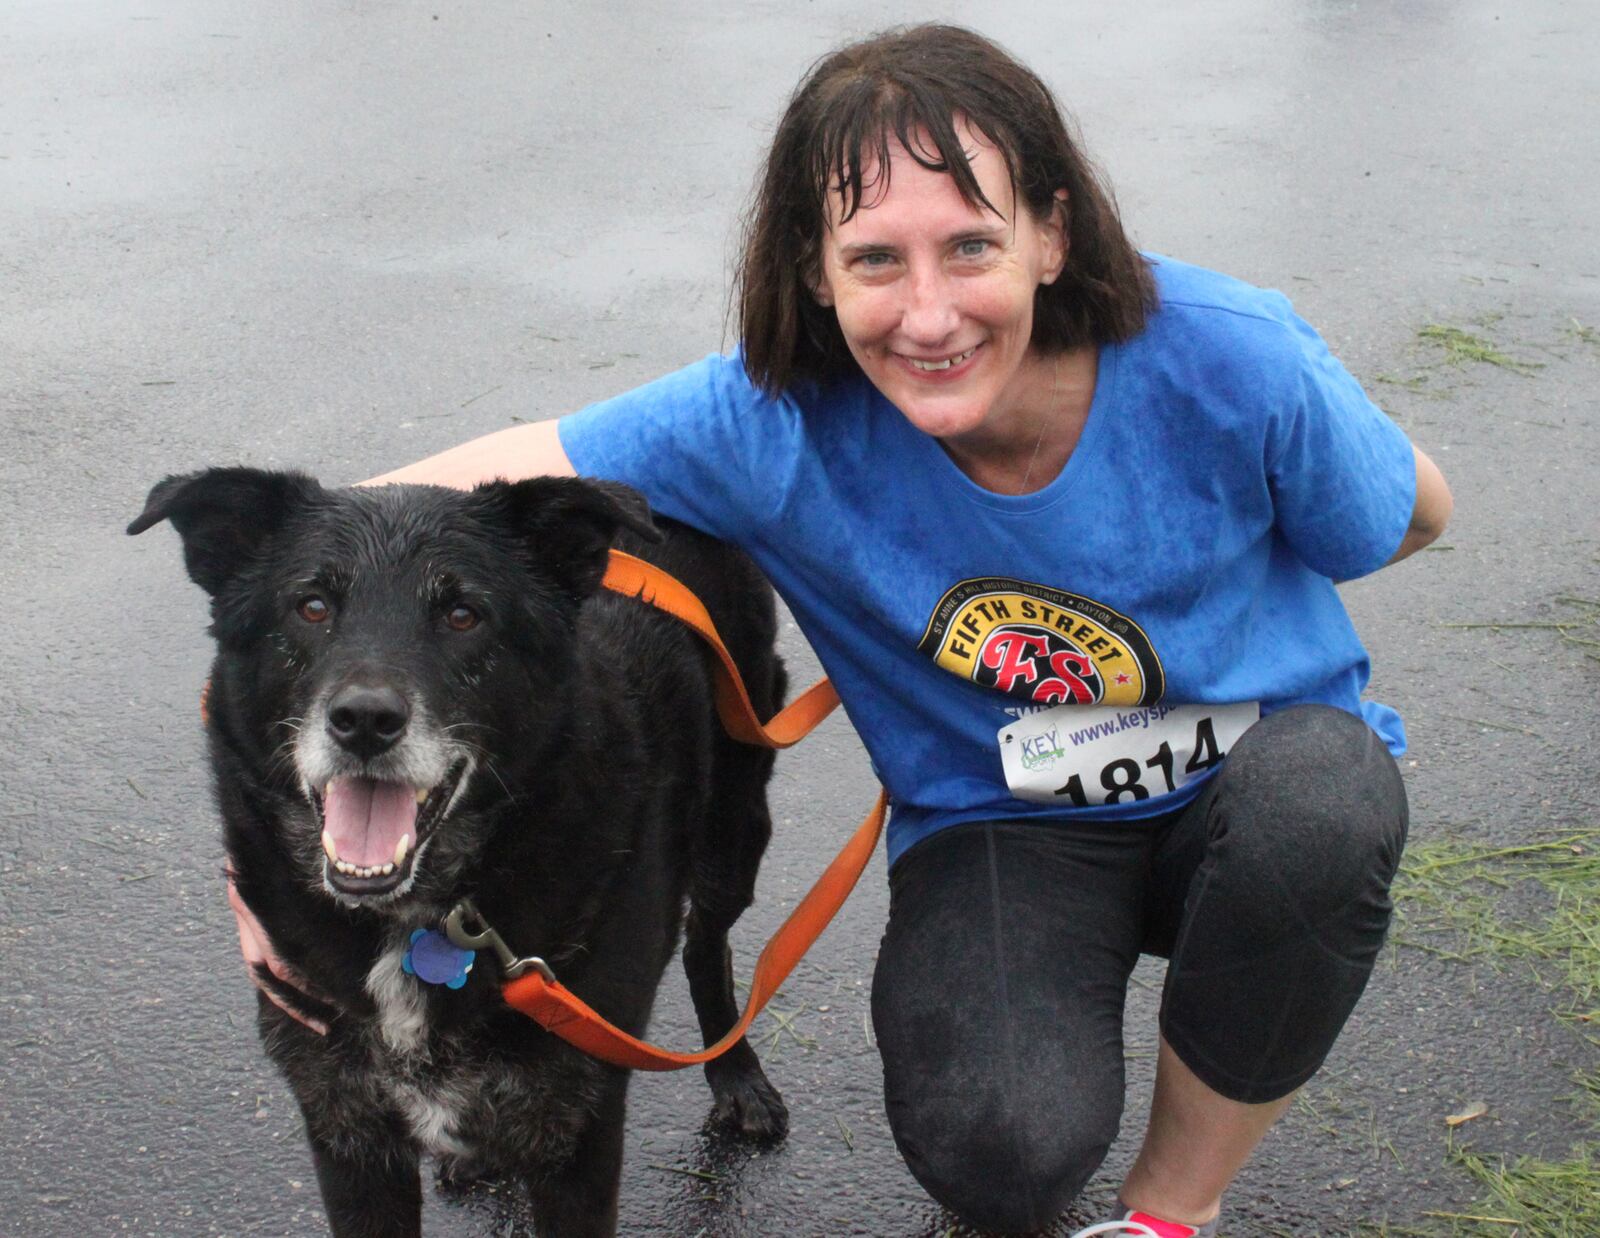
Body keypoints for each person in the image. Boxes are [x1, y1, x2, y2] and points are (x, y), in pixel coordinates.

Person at [238, 24, 1452, 1237]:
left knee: (1323, 806)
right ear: (814, 270)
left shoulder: (1228, 354)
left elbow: (1408, 516)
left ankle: (1169, 1214)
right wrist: (267, 822)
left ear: (1053, 234)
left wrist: (1219, 573)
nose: (928, 316)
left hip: (1251, 783)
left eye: (971, 245)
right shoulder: (768, 422)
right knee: (999, 1148)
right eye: (875, 259)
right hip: (1005, 821)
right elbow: (399, 521)